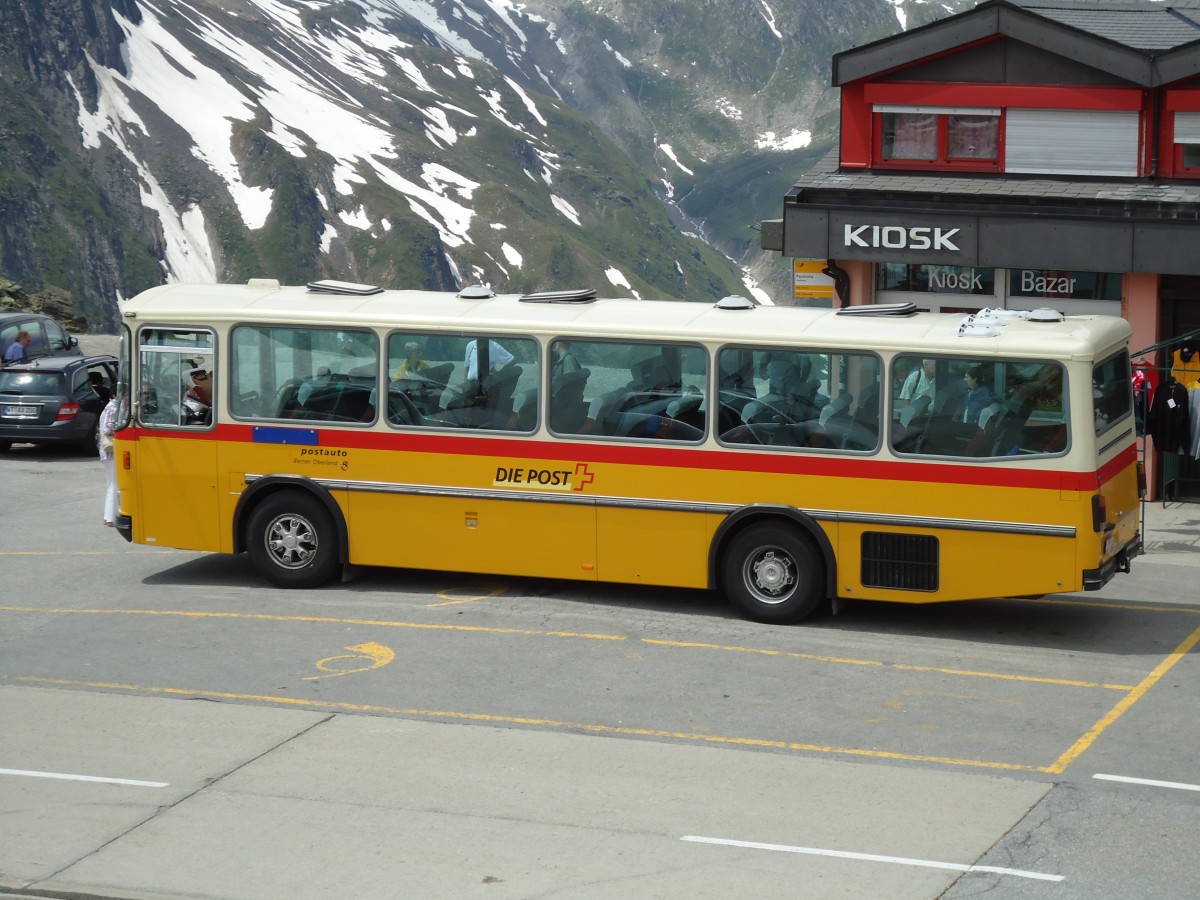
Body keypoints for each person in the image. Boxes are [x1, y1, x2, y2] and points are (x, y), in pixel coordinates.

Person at [98, 397, 119, 527]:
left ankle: (109, 516)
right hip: (111, 451)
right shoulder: (113, 407)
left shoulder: (111, 406)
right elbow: (108, 429)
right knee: (114, 484)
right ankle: (111, 517)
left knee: (111, 483)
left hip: (107, 452)